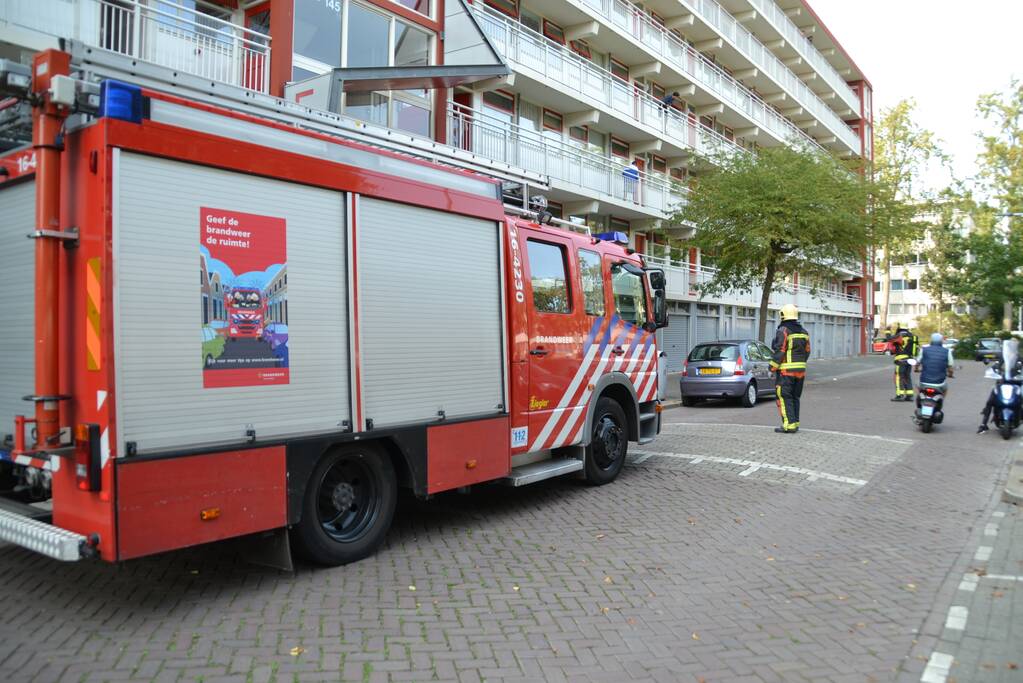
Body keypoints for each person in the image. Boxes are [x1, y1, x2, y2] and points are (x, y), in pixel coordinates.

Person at [770, 304, 810, 434]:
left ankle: (789, 425)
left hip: (786, 372)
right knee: (795, 397)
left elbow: (780, 350)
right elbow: (807, 351)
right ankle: (795, 422)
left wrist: (772, 367)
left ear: (782, 315)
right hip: (800, 371)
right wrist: (800, 364)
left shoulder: (783, 330)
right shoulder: (804, 332)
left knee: (783, 396)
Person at [978, 339, 1023, 434]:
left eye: (1012, 347)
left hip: (1016, 384)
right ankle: (983, 424)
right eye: (1009, 347)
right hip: (1002, 383)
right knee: (990, 401)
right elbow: (996, 366)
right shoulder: (1003, 358)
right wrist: (992, 371)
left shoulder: (1019, 359)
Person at [891, 324, 919, 401]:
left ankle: (899, 395)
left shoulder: (898, 336)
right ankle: (909, 395)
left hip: (900, 360)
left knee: (898, 377)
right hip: (910, 360)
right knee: (907, 377)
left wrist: (887, 331)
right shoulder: (912, 336)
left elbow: (889, 339)